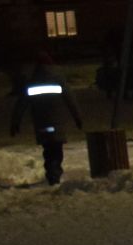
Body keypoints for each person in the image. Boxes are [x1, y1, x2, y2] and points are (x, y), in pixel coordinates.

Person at [8, 55, 84, 184]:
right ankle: (55, 174)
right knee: (56, 150)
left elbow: (21, 104)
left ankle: (51, 173)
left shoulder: (32, 82)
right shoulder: (59, 80)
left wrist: (15, 122)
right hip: (57, 123)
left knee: (48, 150)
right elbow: (71, 101)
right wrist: (78, 118)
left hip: (41, 123)